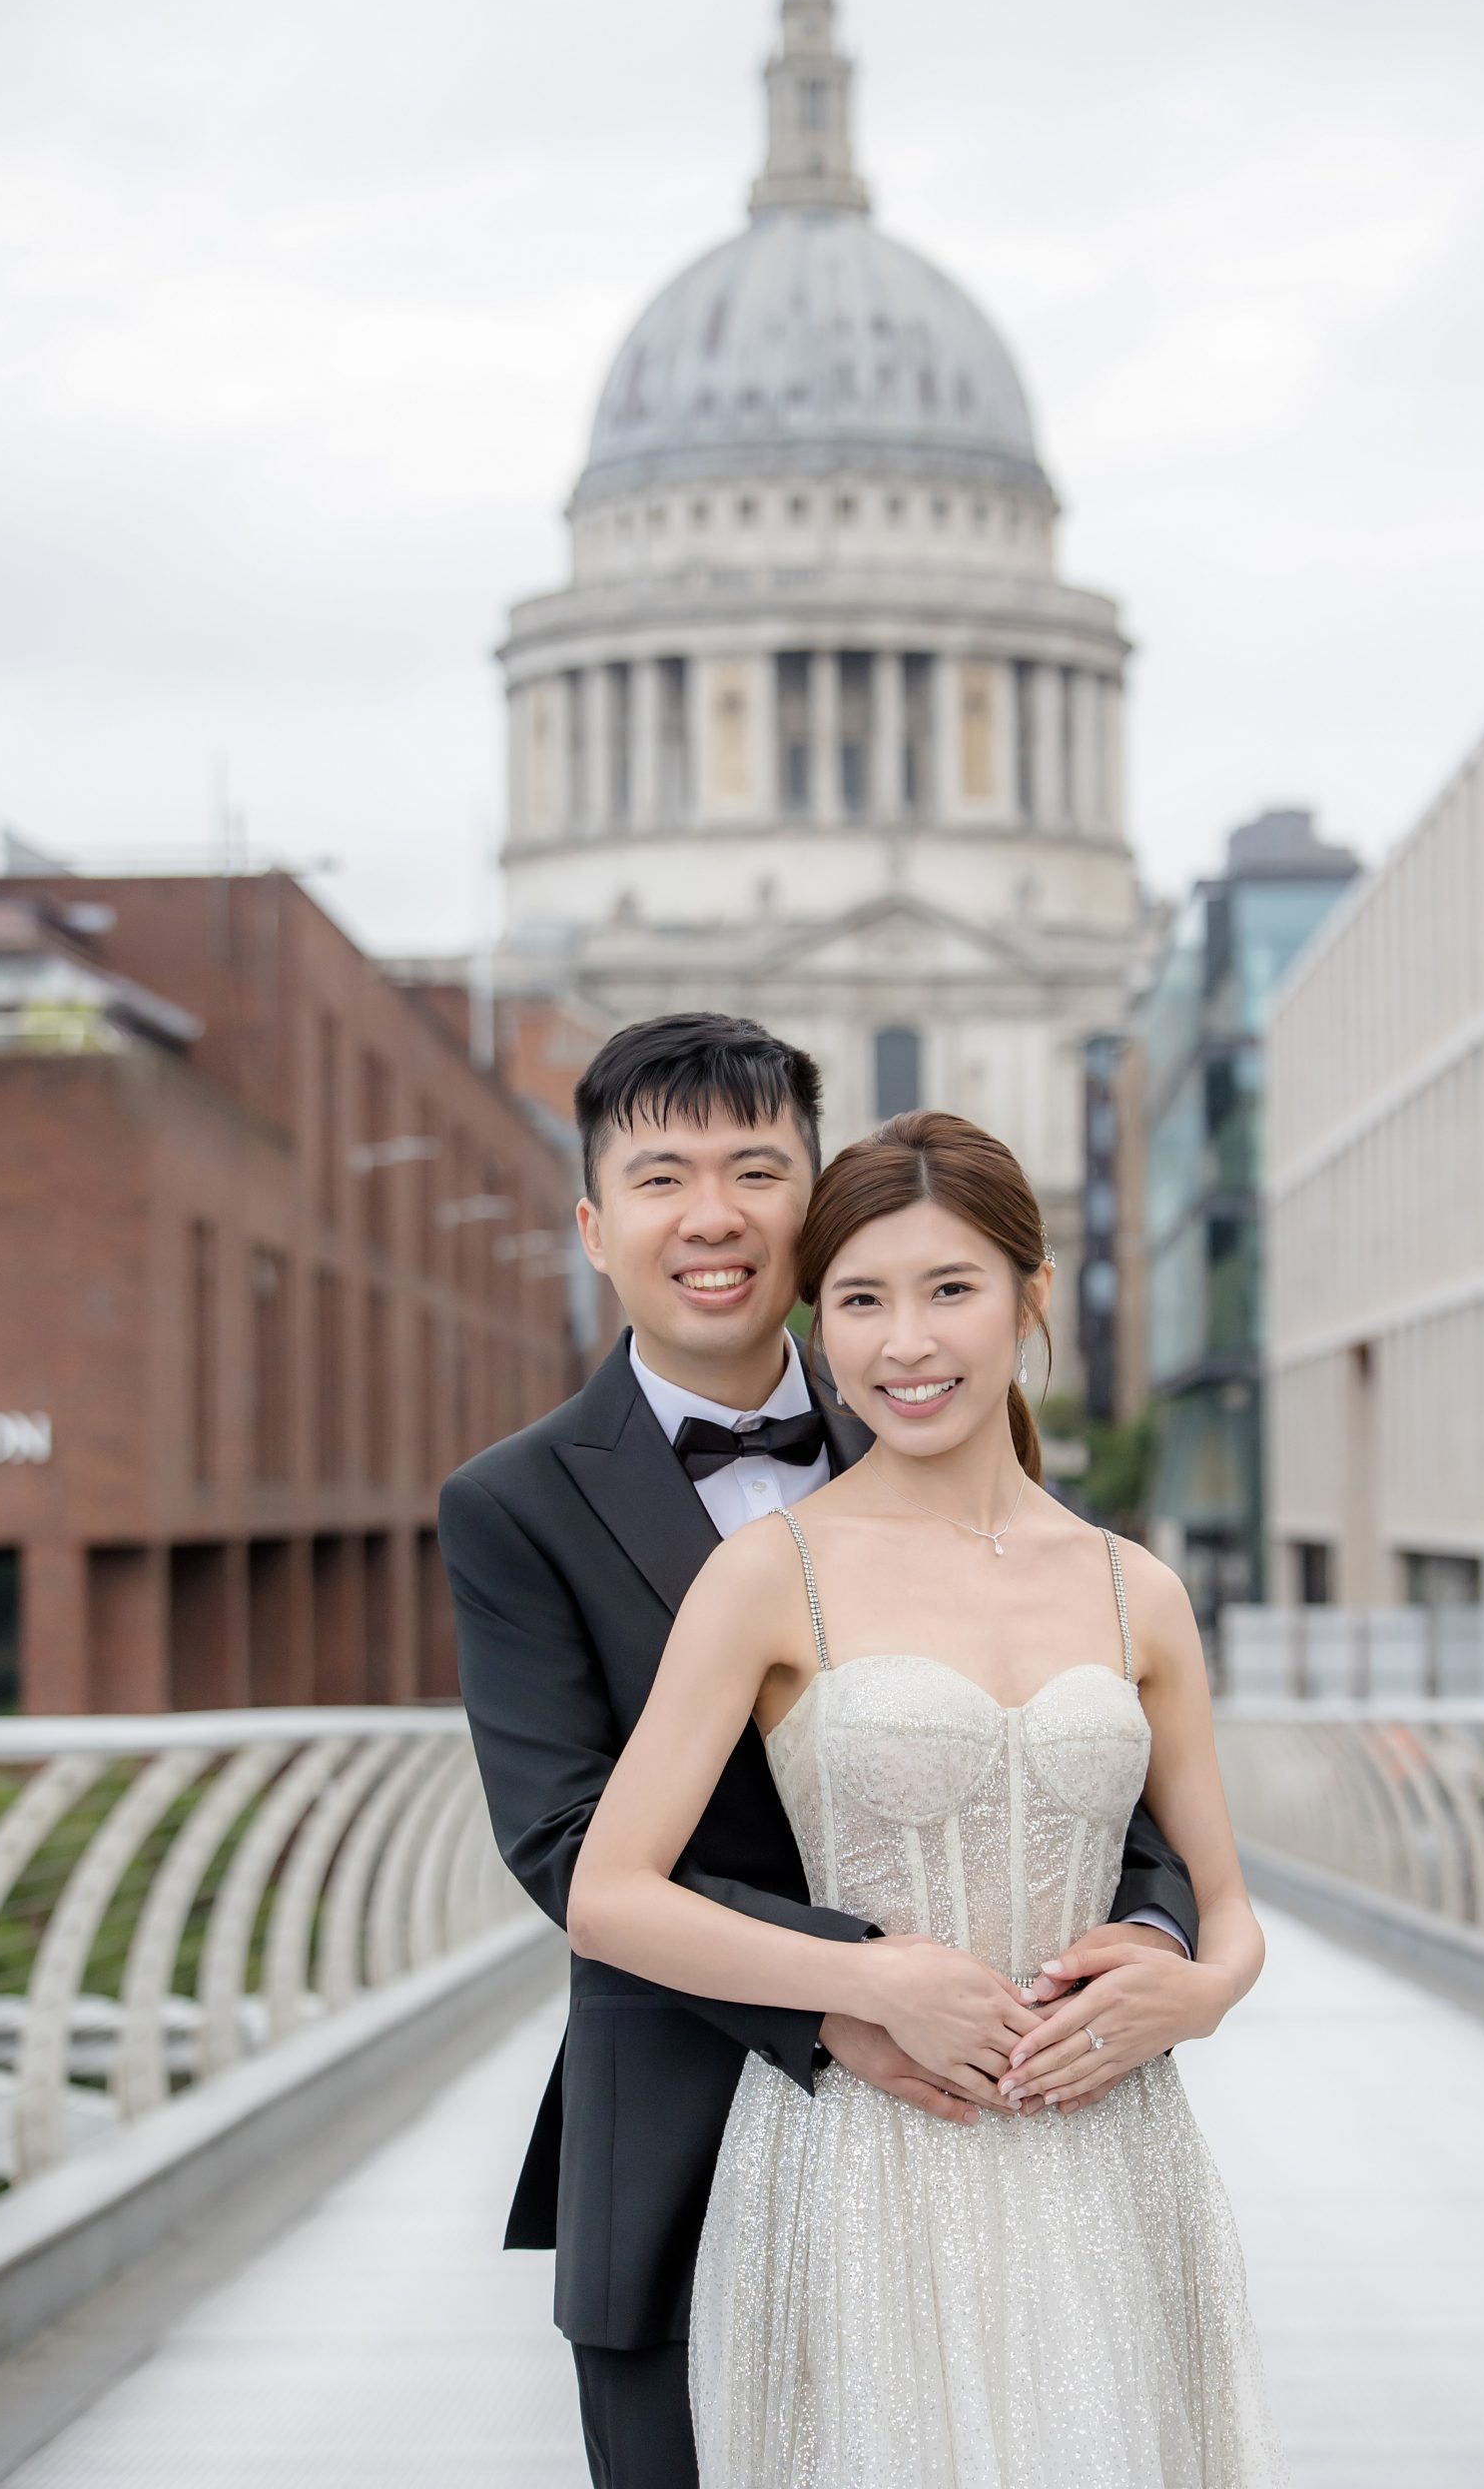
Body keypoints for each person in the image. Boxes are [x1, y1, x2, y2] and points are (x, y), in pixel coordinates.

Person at [441, 1015, 1210, 2489]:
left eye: (755, 1171)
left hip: (1011, 2139)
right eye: (661, 1180)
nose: (712, 1217)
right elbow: (566, 1844)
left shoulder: (936, 1419)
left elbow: (1110, 1764)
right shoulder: (513, 1504)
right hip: (680, 2139)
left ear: (815, 1206)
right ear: (594, 1228)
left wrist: (1155, 1950)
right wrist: (848, 1992)